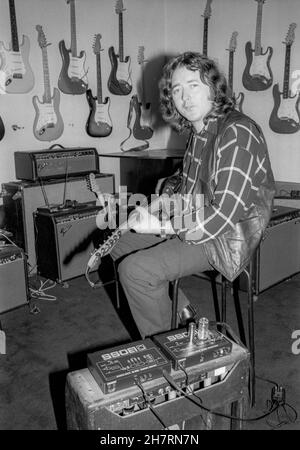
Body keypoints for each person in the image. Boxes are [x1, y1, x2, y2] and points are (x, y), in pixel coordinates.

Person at [110, 51, 275, 339]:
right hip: (195, 220)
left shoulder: (237, 132)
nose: (184, 97)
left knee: (137, 271)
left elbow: (221, 216)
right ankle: (183, 315)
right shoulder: (199, 132)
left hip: (224, 238)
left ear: (213, 87)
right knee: (120, 243)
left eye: (193, 85)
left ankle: (171, 352)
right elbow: (191, 182)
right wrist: (165, 199)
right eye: (176, 89)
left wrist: (159, 225)